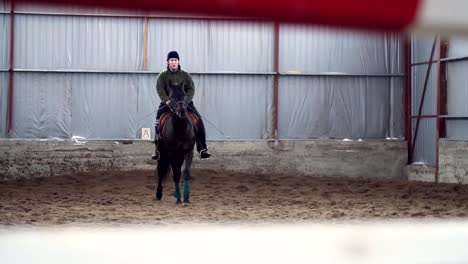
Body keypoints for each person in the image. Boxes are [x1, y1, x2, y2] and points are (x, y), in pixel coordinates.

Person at [152, 50, 212, 160]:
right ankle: (157, 149)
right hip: (168, 104)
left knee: (199, 120)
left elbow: (191, 89)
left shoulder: (185, 75)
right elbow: (160, 89)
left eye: (175, 60)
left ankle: (202, 148)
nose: (173, 62)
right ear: (168, 62)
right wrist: (166, 100)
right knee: (158, 121)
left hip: (184, 104)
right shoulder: (162, 76)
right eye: (171, 60)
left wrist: (186, 101)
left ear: (178, 61)